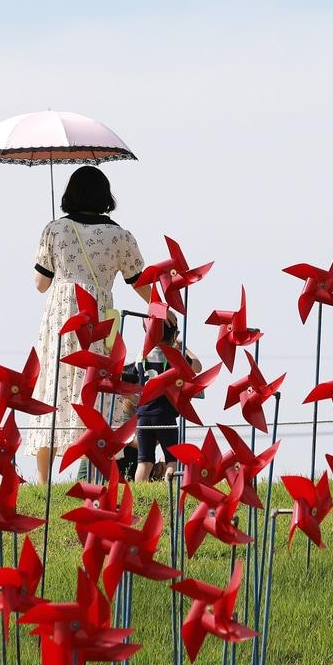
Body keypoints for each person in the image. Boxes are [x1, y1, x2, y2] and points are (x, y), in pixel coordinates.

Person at [27, 165, 150, 484]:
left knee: (55, 385)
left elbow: (41, 283)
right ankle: (96, 473)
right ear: (105, 197)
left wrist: (50, 248)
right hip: (100, 314)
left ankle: (43, 480)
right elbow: (140, 282)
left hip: (63, 313)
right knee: (96, 388)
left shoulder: (54, 230)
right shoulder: (120, 235)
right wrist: (164, 308)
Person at [123, 318, 201, 482]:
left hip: (143, 416)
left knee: (144, 462)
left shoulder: (141, 354)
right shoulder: (174, 356)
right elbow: (197, 367)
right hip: (165, 415)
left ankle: (138, 495)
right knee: (172, 459)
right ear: (174, 335)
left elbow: (133, 377)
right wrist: (183, 347)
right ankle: (169, 489)